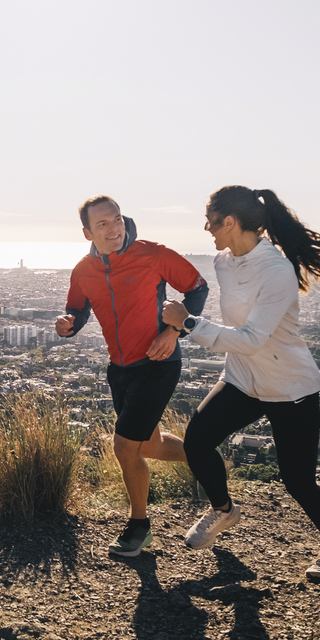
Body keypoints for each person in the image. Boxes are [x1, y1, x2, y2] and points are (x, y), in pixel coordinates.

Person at [161, 186, 320, 582]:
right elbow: (239, 334)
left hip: (289, 386)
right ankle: (222, 509)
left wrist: (189, 323)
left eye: (211, 221)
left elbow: (253, 337)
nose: (207, 228)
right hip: (243, 377)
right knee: (197, 440)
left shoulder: (276, 270)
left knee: (298, 481)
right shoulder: (223, 262)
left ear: (230, 222)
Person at [56, 195, 209, 557]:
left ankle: (139, 527)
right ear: (87, 232)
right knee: (150, 446)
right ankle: (204, 459)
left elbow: (198, 287)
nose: (113, 229)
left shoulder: (153, 254)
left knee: (124, 447)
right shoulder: (82, 270)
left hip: (158, 361)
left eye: (117, 219)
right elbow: (77, 309)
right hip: (120, 368)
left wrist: (174, 332)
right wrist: (68, 325)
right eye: (103, 224)